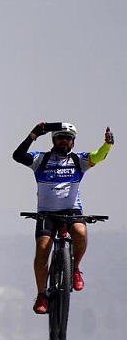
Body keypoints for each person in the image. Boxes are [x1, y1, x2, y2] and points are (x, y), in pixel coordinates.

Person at [12, 122, 113, 314]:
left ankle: (74, 269)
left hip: (72, 210)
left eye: (68, 138)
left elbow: (98, 156)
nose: (64, 141)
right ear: (53, 140)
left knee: (81, 231)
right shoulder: (40, 159)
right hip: (46, 213)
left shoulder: (79, 160)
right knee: (42, 249)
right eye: (60, 138)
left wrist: (107, 145)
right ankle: (41, 294)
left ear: (73, 142)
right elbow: (17, 156)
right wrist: (33, 135)